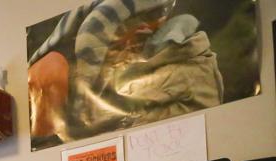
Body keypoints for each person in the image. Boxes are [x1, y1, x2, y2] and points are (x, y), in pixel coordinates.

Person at [28, 0, 222, 147]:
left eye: (115, 45)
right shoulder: (150, 68)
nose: (113, 56)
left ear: (141, 32)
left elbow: (100, 134)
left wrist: (57, 84)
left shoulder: (183, 71)